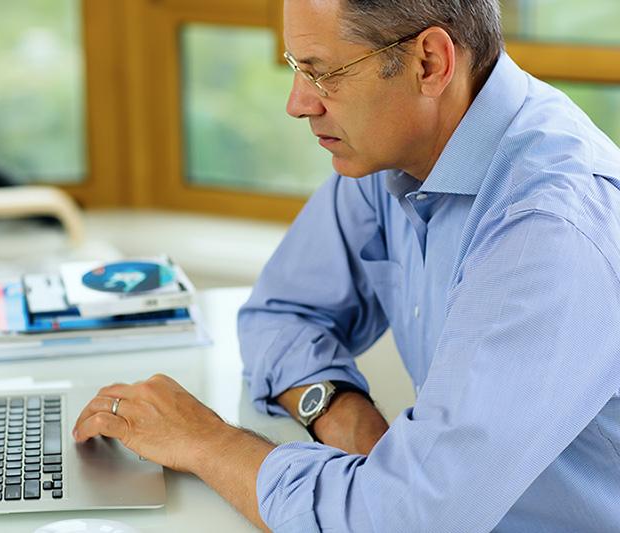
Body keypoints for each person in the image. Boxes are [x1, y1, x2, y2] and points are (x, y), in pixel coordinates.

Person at [72, 0, 620, 530]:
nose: (298, 103)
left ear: (429, 62)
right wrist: (345, 421)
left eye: (323, 72)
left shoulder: (546, 236)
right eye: (296, 68)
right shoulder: (400, 148)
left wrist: (206, 441)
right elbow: (280, 313)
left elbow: (406, 522)